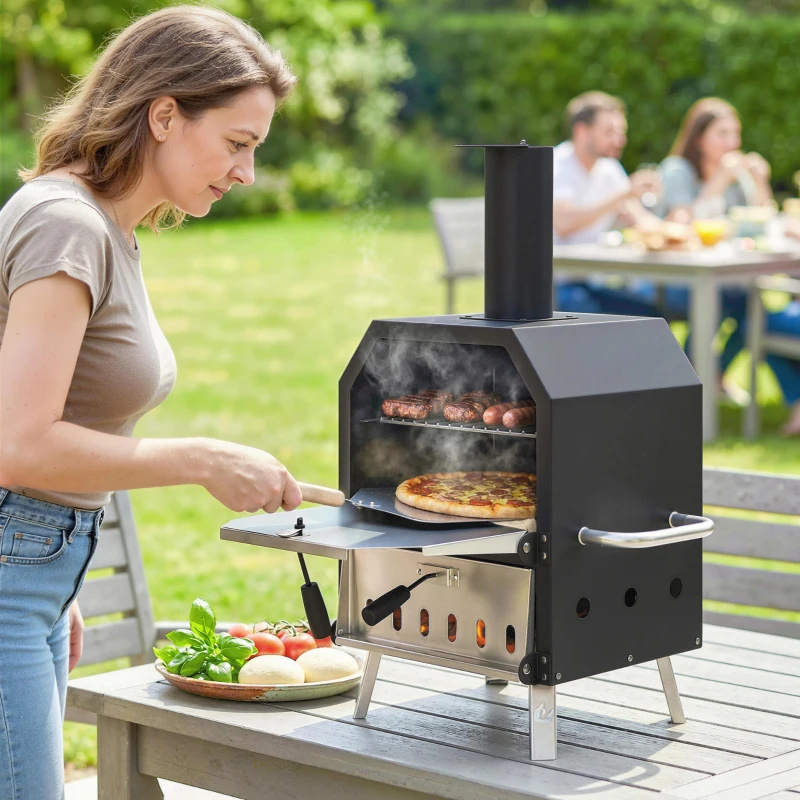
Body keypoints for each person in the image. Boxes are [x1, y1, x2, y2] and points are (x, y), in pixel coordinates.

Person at [0, 7, 302, 797]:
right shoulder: (67, 225)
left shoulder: (105, 228)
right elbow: (20, 445)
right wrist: (200, 460)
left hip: (32, 569)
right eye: (237, 143)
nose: (245, 172)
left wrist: (51, 585)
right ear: (163, 114)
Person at [553, 91, 664, 317]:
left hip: (591, 281)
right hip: (554, 285)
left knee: (651, 315)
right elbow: (563, 222)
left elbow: (639, 219)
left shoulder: (608, 168)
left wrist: (675, 232)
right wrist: (622, 196)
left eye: (621, 132)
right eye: (610, 132)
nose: (619, 140)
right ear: (581, 132)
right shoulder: (556, 165)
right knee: (589, 314)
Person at [657, 97, 773, 221]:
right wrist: (720, 179)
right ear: (699, 139)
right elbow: (680, 221)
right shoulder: (676, 170)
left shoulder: (737, 176)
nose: (732, 143)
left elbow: (761, 218)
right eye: (722, 133)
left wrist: (760, 183)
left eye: (736, 133)